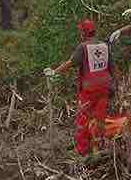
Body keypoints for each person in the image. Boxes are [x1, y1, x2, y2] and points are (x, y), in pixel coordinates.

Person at [44, 19, 113, 156]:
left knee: (83, 119)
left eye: (81, 31)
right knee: (100, 118)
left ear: (84, 33)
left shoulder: (83, 47)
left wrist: (54, 72)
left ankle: (82, 150)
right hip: (105, 86)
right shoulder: (104, 46)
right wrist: (115, 84)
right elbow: (112, 67)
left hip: (89, 89)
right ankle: (99, 147)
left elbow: (70, 63)